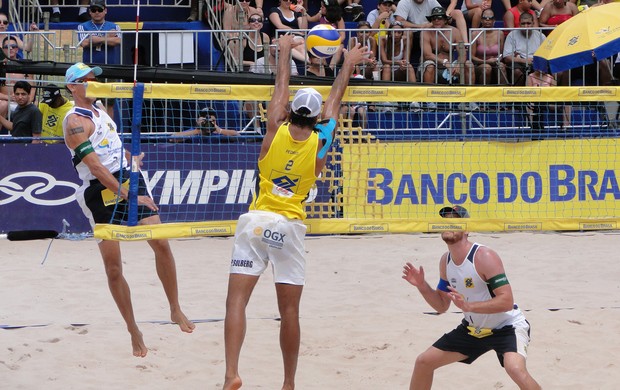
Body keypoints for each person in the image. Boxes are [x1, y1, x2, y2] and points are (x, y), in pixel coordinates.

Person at [222, 35, 368, 390]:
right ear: (317, 118)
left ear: (289, 113)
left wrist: (285, 51)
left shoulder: (274, 127)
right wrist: (347, 65)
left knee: (236, 303)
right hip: (289, 227)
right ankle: (288, 383)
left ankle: (231, 374)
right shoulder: (321, 139)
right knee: (289, 312)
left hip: (255, 222)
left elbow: (280, 89)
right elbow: (335, 101)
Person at [62, 62, 195, 357]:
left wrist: (131, 157)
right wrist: (129, 196)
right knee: (113, 268)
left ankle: (174, 308)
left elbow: (112, 149)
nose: (94, 82)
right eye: (87, 80)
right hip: (100, 190)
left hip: (126, 177)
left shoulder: (103, 113)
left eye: (95, 77)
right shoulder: (74, 121)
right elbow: (95, 167)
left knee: (160, 241)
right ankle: (133, 329)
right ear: (72, 86)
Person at [402, 205, 542, 390]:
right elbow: (442, 306)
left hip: (507, 327)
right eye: (446, 220)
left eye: (455, 220)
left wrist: (469, 307)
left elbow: (506, 301)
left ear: (467, 228)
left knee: (514, 369)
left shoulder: (484, 256)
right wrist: (422, 286)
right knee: (423, 362)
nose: (448, 224)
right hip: (474, 329)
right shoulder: (446, 261)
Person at [421, 7, 474, 85]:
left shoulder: (455, 31)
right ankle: (428, 96)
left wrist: (459, 64)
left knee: (469, 65)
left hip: (451, 65)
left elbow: (462, 52)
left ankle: (469, 95)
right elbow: (427, 55)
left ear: (445, 20)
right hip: (433, 64)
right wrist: (445, 62)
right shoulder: (426, 32)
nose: (436, 20)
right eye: (434, 18)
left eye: (439, 18)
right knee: (430, 66)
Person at [502, 12, 546, 85]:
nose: (526, 26)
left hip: (536, 62)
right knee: (517, 72)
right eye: (523, 23)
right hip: (519, 62)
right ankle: (518, 94)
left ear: (533, 23)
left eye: (528, 23)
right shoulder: (512, 35)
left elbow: (546, 54)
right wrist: (524, 60)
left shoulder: (541, 36)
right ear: (519, 24)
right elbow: (507, 57)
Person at [0, 36, 37, 117]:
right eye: (7, 47)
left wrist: (28, 101)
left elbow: (33, 88)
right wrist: (8, 97)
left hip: (23, 102)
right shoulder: (0, 67)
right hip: (5, 102)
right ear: (3, 50)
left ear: (17, 49)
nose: (10, 49)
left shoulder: (25, 67)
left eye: (13, 47)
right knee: (2, 105)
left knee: (36, 107)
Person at [77, 0, 122, 65]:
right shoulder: (82, 26)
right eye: (93, 10)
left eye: (100, 10)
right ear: (90, 12)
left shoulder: (114, 26)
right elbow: (84, 43)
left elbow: (117, 41)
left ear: (105, 11)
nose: (97, 12)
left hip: (110, 65)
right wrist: (107, 37)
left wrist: (96, 39)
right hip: (89, 66)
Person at [470, 8, 508, 85]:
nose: (487, 20)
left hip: (495, 62)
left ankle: (504, 92)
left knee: (501, 66)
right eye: (485, 18)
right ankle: (484, 93)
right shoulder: (475, 34)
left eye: (490, 18)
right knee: (487, 67)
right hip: (480, 64)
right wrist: (486, 62)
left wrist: (497, 60)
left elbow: (501, 54)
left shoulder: (499, 33)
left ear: (494, 20)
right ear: (481, 20)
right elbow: (472, 57)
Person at [170, 106, 240, 141]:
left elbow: (238, 136)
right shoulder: (193, 132)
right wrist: (197, 131)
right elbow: (172, 138)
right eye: (205, 120)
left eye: (212, 120)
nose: (208, 122)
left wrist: (220, 131)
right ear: (198, 120)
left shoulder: (219, 134)